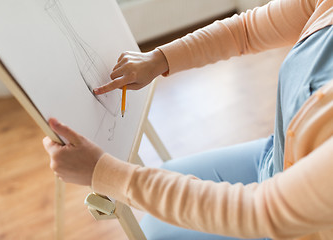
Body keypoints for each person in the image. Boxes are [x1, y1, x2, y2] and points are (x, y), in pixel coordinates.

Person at [43, 0, 333, 239]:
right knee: (168, 176)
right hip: (277, 159)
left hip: (295, 225)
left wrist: (102, 172)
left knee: (156, 233)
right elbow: (246, 30)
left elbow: (262, 211)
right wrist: (159, 59)